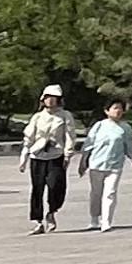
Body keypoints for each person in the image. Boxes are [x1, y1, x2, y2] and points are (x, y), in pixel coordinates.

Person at [20, 84, 77, 234]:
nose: (50, 101)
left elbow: (70, 136)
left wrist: (68, 154)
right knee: (37, 189)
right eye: (47, 98)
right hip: (37, 156)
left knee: (55, 185)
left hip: (56, 156)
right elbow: (29, 137)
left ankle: (52, 211)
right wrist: (24, 157)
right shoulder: (37, 117)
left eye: (54, 98)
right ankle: (38, 221)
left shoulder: (65, 116)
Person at [82, 99, 132, 231]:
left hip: (115, 165)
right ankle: (94, 219)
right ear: (107, 111)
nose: (118, 111)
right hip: (96, 164)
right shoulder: (99, 126)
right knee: (96, 193)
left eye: (120, 108)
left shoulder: (125, 128)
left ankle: (106, 221)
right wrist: (83, 161)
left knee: (110, 193)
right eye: (114, 108)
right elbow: (88, 144)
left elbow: (129, 145)